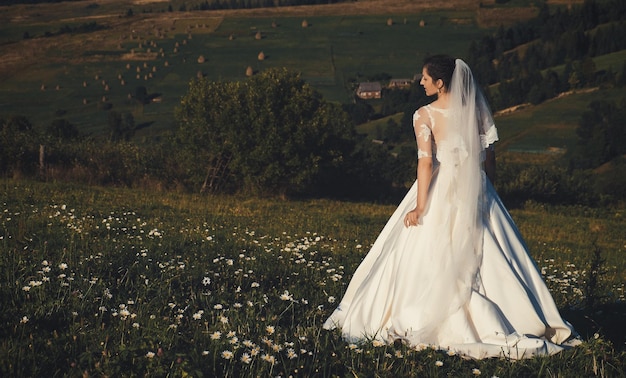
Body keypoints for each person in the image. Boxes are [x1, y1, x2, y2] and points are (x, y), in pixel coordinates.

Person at [323, 55, 580, 359]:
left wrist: (420, 208)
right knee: (496, 253)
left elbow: (426, 162)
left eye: (425, 78)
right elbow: (489, 157)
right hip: (477, 188)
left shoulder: (424, 115)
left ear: (440, 83)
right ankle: (521, 316)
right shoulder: (474, 111)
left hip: (441, 187)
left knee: (423, 252)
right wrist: (486, 190)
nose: (420, 82)